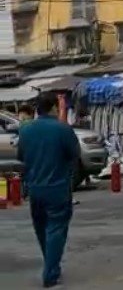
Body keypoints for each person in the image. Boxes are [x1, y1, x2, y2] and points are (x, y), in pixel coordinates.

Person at [17, 92, 79, 288]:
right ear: (53, 107)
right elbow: (74, 154)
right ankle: (50, 272)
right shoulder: (62, 129)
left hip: (35, 187)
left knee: (41, 228)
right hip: (57, 187)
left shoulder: (26, 130)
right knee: (56, 228)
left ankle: (51, 263)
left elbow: (21, 156)